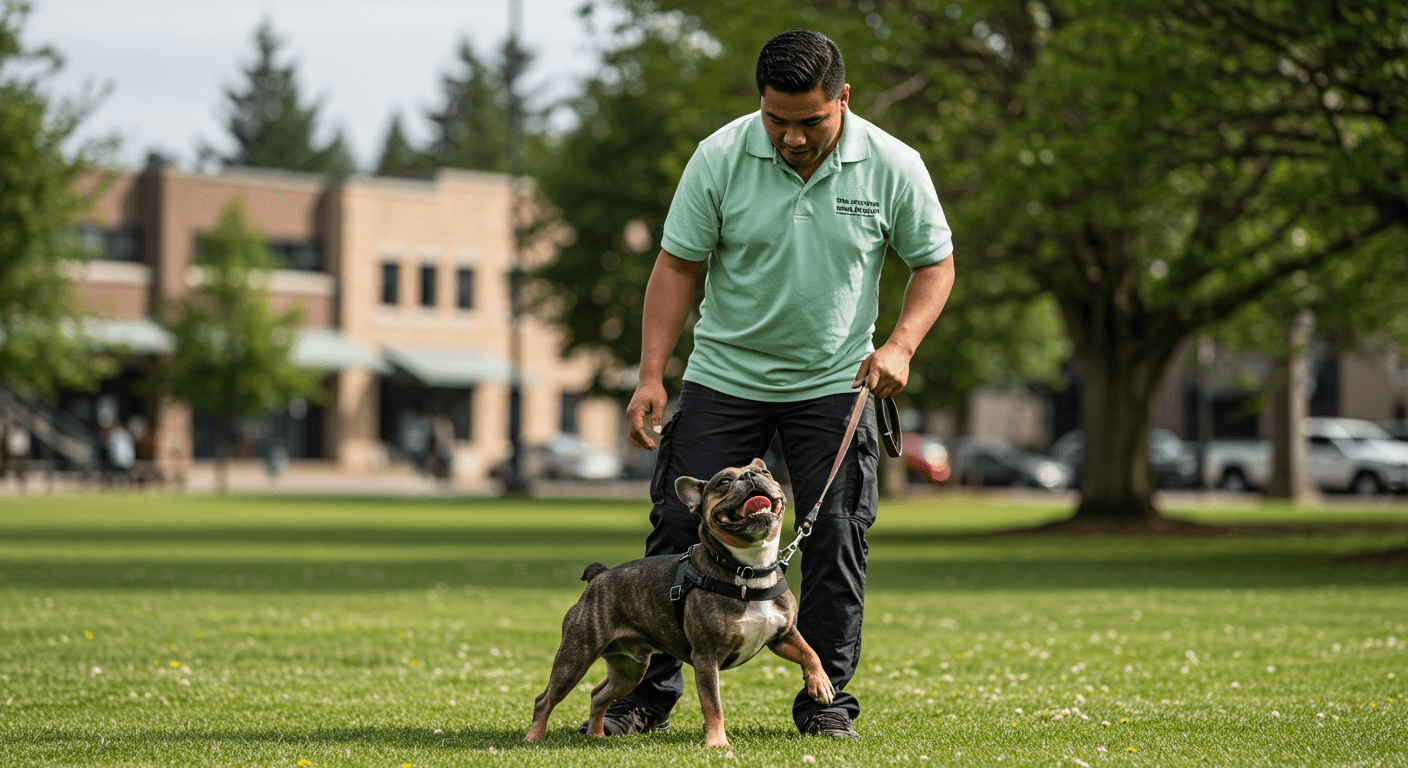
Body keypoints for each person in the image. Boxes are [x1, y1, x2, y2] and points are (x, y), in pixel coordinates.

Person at [600, 29, 955, 739]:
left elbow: (934, 263)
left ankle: (825, 704)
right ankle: (646, 697)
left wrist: (901, 345)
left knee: (836, 538)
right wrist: (650, 374)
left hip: (836, 382)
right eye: (777, 120)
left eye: (810, 121)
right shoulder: (719, 156)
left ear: (843, 99)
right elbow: (676, 265)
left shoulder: (893, 164)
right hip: (724, 376)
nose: (792, 137)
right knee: (678, 528)